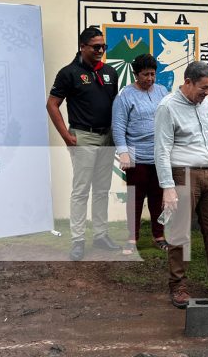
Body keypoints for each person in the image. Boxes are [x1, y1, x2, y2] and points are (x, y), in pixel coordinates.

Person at [154, 61, 208, 309]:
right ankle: (178, 286)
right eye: (203, 88)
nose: (207, 93)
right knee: (179, 233)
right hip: (182, 174)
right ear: (188, 82)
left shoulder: (206, 105)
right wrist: (168, 187)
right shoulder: (167, 107)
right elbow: (161, 151)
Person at [46, 27, 120, 261]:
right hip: (83, 137)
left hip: (107, 136)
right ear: (82, 47)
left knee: (101, 190)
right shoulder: (69, 73)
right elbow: (52, 104)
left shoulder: (110, 72)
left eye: (103, 47)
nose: (100, 50)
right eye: (95, 47)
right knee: (81, 191)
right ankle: (78, 240)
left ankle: (100, 234)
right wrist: (66, 136)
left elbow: (114, 106)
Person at [111, 54, 170, 255]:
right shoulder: (124, 95)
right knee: (135, 199)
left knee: (158, 198)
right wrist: (124, 153)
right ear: (136, 74)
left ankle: (159, 236)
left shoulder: (163, 91)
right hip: (135, 155)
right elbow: (118, 127)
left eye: (153, 74)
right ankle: (132, 239)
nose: (150, 79)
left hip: (160, 155)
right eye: (145, 74)